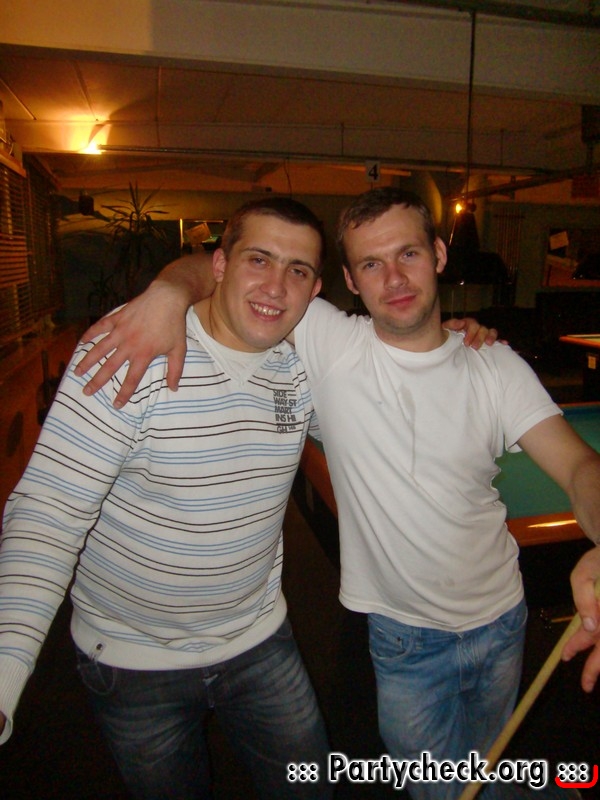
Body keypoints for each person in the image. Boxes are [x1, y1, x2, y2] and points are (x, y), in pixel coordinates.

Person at [72, 188, 600, 800]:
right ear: (348, 280)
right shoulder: (331, 341)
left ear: (438, 254)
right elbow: (225, 265)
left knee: (485, 767)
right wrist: (167, 292)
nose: (394, 278)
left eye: (408, 254)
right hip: (405, 638)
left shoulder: (496, 366)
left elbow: (580, 466)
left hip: (503, 620)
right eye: (372, 264)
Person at [0, 197, 335, 800]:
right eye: (258, 259)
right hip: (132, 661)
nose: (276, 286)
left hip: (259, 637)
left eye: (298, 270)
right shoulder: (134, 346)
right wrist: (3, 676)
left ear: (315, 291)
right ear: (219, 264)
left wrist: (459, 347)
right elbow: (49, 511)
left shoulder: (305, 365)